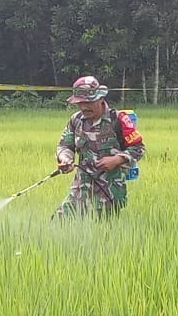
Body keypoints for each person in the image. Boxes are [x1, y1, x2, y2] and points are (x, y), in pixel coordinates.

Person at [54, 75, 145, 219]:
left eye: (88, 102)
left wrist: (116, 160)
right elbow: (65, 145)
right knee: (61, 222)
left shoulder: (118, 120)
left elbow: (138, 148)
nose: (84, 107)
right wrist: (65, 159)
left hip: (109, 189)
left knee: (103, 228)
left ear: (100, 99)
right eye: (80, 103)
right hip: (81, 186)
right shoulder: (76, 120)